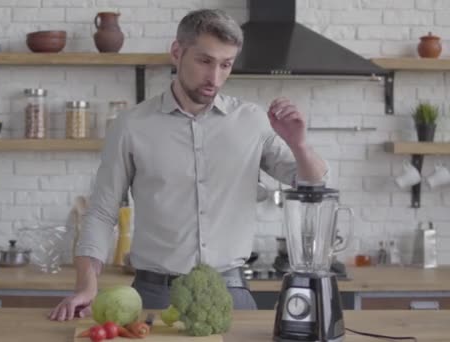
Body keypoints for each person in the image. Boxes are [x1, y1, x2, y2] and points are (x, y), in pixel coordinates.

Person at [49, 8, 328, 321]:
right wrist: (87, 284)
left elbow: (311, 183)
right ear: (177, 52)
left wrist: (299, 145)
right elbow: (101, 212)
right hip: (154, 294)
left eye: (226, 65)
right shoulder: (131, 126)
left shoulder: (252, 121)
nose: (215, 77)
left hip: (230, 292)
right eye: (205, 61)